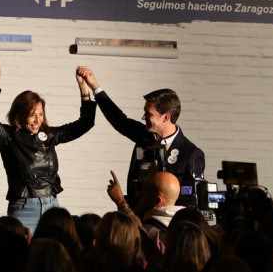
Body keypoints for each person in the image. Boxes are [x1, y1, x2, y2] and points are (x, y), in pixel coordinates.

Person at [0, 59, 95, 232]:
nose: (37, 120)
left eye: (41, 114)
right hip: (24, 208)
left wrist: (84, 88)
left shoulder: (49, 136)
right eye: (32, 115)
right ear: (19, 116)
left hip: (52, 206)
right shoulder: (8, 137)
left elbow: (85, 123)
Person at [78, 66, 204, 204]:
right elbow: (118, 119)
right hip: (135, 217)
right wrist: (94, 86)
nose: (143, 118)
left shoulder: (191, 153)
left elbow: (191, 201)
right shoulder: (144, 135)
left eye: (148, 114)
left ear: (166, 117)